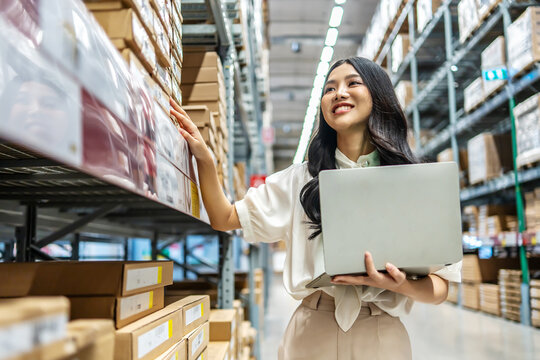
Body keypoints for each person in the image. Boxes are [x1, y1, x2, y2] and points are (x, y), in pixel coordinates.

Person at [170, 56, 461, 359]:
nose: (339, 93)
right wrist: (205, 159)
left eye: (353, 83)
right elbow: (224, 217)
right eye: (330, 88)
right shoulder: (301, 180)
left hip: (381, 335)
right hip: (311, 331)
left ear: (379, 95)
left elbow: (441, 286)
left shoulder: (414, 183)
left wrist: (402, 285)